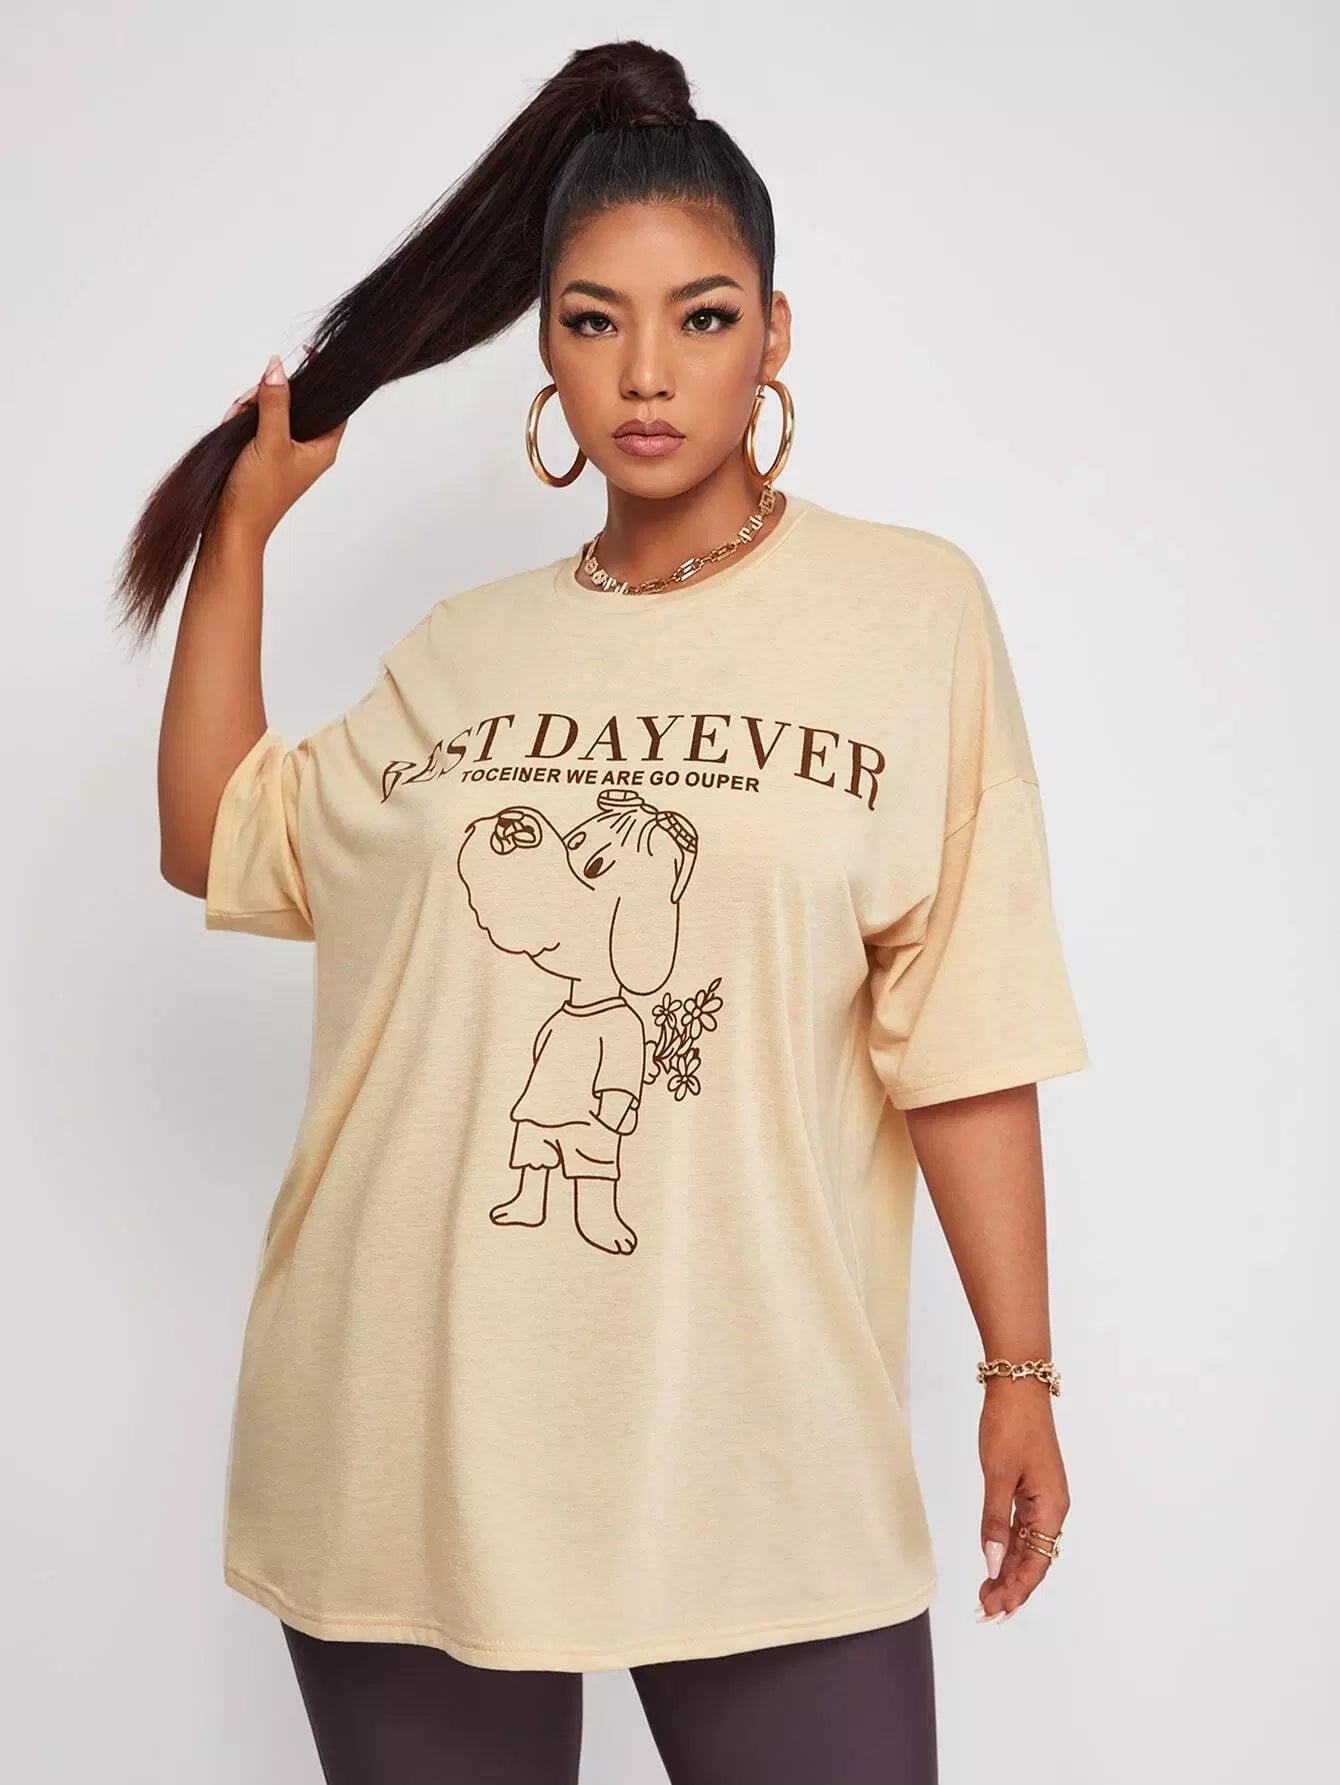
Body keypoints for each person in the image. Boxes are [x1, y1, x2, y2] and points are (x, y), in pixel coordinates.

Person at [127, 38, 1088, 1785]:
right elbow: (218, 835)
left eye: (702, 318)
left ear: (773, 335)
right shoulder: (464, 650)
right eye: (592, 321)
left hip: (756, 1443)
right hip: (405, 1429)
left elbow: (964, 1019)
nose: (645, 372)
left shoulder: (907, 613)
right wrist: (240, 534)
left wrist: (1017, 1369)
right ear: (546, 349)